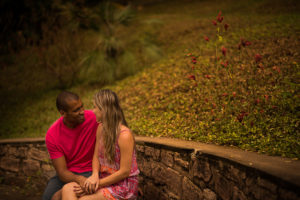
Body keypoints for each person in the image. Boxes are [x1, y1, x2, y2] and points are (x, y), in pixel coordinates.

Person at [61, 89, 139, 200]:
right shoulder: (100, 128)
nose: (93, 111)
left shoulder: (124, 135)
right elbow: (96, 156)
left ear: (104, 110)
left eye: (95, 107)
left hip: (122, 187)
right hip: (103, 180)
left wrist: (97, 183)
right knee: (67, 188)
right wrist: (94, 175)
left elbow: (124, 172)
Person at [43, 91, 98, 200]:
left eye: (82, 107)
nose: (82, 112)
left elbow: (120, 133)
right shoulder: (53, 134)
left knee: (59, 196)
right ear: (63, 113)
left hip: (93, 170)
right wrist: (80, 179)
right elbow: (62, 172)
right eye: (76, 110)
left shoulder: (93, 118)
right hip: (69, 174)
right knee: (48, 198)